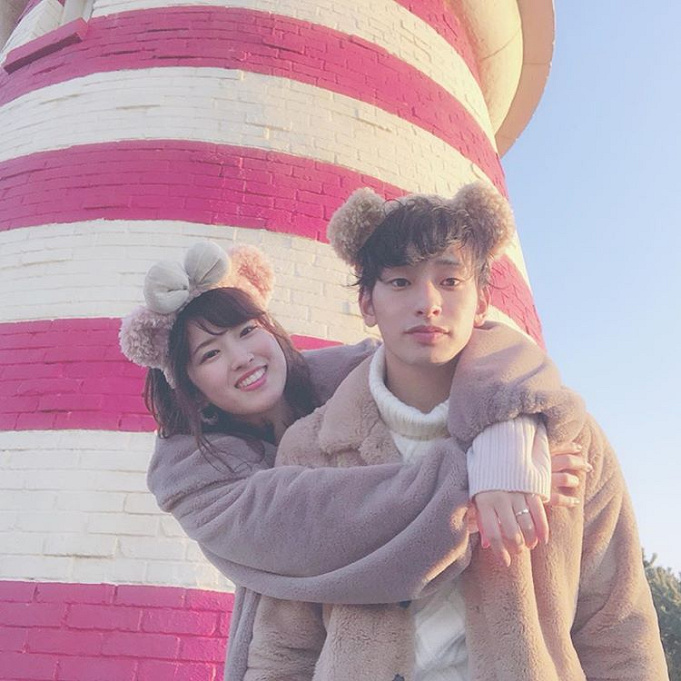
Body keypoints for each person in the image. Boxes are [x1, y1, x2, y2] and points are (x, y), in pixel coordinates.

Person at [243, 183, 668, 680]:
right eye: (400, 281)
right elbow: (284, 644)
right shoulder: (310, 450)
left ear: (482, 299)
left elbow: (617, 625)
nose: (427, 303)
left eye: (449, 280)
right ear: (367, 304)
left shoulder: (566, 438)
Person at [119, 238, 589, 680]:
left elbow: (478, 345)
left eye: (247, 331)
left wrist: (507, 431)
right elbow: (318, 524)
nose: (241, 356)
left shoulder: (348, 373)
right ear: (191, 389)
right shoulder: (192, 478)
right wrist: (480, 476)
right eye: (210, 354)